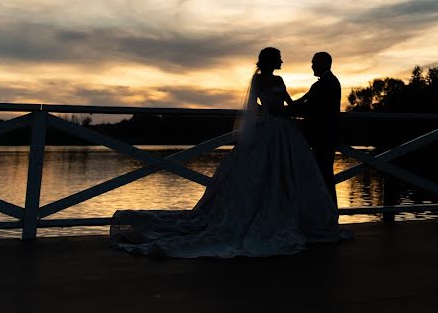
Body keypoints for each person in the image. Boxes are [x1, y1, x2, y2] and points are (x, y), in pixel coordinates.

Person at [109, 47, 347, 258]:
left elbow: (293, 104)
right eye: (279, 58)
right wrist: (273, 113)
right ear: (270, 61)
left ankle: (312, 218)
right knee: (262, 175)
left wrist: (284, 111)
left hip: (284, 129)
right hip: (270, 128)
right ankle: (276, 216)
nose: (282, 62)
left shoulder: (291, 80)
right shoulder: (258, 82)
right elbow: (256, 107)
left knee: (291, 175)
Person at [290, 52, 341, 206]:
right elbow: (301, 102)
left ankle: (330, 214)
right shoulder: (325, 82)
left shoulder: (326, 83)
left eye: (314, 63)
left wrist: (279, 110)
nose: (312, 66)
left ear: (324, 63)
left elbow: (307, 106)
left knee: (324, 176)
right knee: (322, 176)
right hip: (322, 137)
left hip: (322, 137)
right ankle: (325, 214)